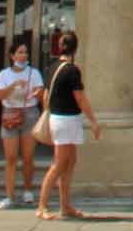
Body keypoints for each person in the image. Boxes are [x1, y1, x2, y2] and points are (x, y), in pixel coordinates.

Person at [37, 29, 102, 222]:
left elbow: (45, 96)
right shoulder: (72, 70)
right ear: (75, 49)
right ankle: (42, 206)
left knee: (70, 162)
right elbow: (80, 97)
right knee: (58, 164)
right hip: (66, 120)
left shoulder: (52, 67)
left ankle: (66, 206)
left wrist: (49, 114)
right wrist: (93, 121)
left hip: (61, 118)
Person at [0, 39, 47, 208]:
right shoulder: (4, 74)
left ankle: (27, 189)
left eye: (25, 52)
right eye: (19, 52)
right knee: (11, 157)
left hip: (29, 113)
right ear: (12, 56)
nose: (23, 55)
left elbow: (40, 93)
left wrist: (35, 92)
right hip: (10, 113)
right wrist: (14, 85)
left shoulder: (34, 73)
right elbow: (1, 95)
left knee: (28, 156)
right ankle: (9, 195)